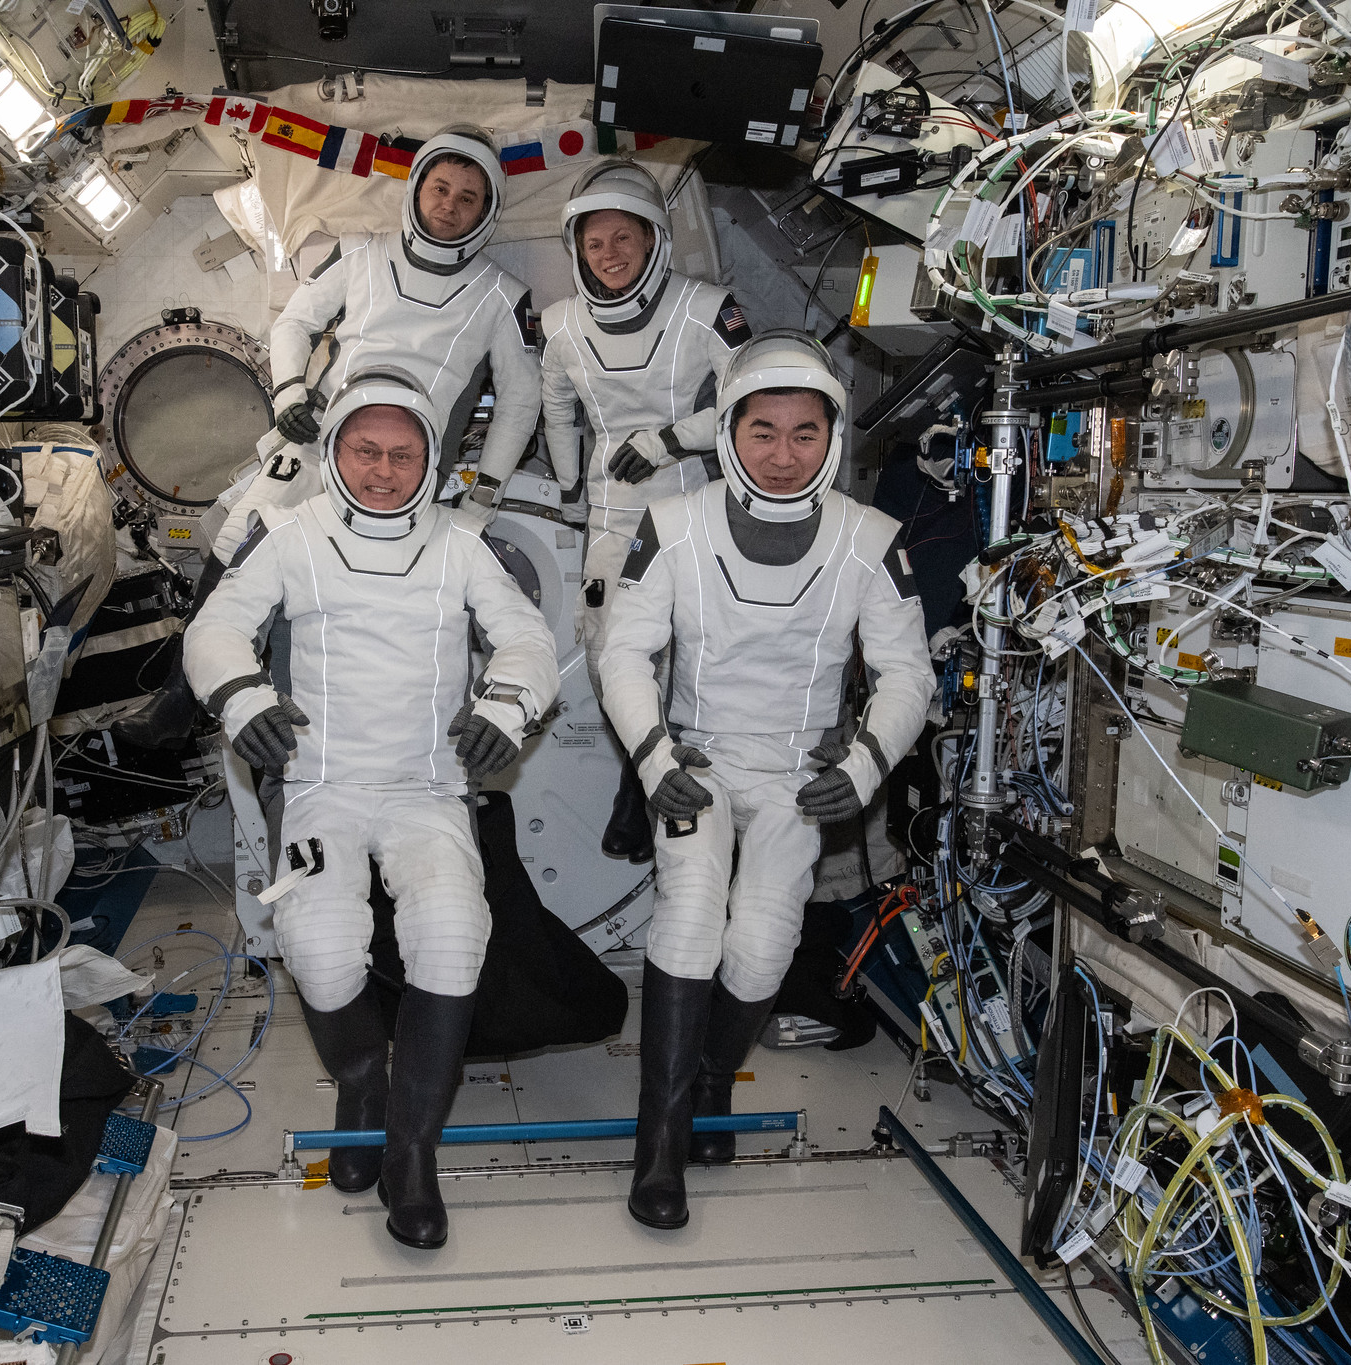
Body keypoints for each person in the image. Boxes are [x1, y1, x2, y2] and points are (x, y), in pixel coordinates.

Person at [182, 370, 558, 1251]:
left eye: (402, 455)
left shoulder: (461, 544)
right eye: (365, 451)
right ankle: (363, 1080)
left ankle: (411, 1153)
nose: (384, 472)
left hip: (428, 786)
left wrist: (506, 706)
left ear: (429, 462)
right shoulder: (290, 535)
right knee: (317, 944)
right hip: (321, 783)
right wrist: (243, 697)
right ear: (335, 451)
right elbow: (214, 628)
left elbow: (526, 636)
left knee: (453, 933)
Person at [595, 330, 936, 1231]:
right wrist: (654, 755)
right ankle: (660, 1141)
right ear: (729, 434)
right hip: (696, 763)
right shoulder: (674, 524)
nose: (784, 455)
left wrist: (865, 762)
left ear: (833, 437)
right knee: (690, 918)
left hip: (800, 774)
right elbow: (623, 652)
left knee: (760, 947)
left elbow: (907, 673)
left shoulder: (870, 539)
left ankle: (710, 1083)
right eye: (763, 432)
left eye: (804, 433)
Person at [537, 158, 752, 863]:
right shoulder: (562, 325)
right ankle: (643, 772)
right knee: (609, 649)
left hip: (689, 504)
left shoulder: (706, 309)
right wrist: (569, 483)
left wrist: (668, 440)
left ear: (655, 237)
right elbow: (556, 405)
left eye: (623, 238)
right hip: (612, 515)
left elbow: (750, 400)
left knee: (689, 649)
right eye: (595, 243)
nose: (610, 255)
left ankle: (674, 787)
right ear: (577, 250)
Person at [208, 124, 542, 566]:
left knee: (356, 582)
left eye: (467, 198)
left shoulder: (502, 296)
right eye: (440, 188)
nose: (449, 205)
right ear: (418, 187)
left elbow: (521, 400)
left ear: (486, 211)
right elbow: (294, 323)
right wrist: (289, 395)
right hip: (318, 441)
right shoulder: (357, 252)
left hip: (406, 469)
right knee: (235, 547)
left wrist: (485, 492)